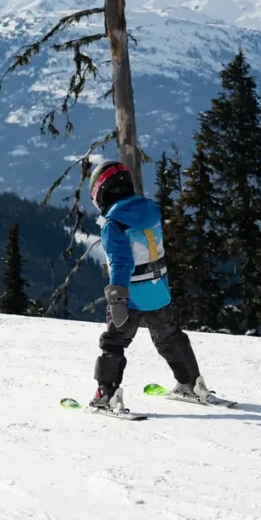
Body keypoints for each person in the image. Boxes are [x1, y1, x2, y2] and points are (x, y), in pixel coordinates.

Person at [88, 160, 211, 412]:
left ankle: (107, 396)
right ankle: (191, 384)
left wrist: (117, 298)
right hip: (159, 290)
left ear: (101, 192)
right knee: (170, 337)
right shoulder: (152, 209)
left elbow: (121, 263)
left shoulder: (113, 224)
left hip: (131, 294)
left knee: (113, 343)